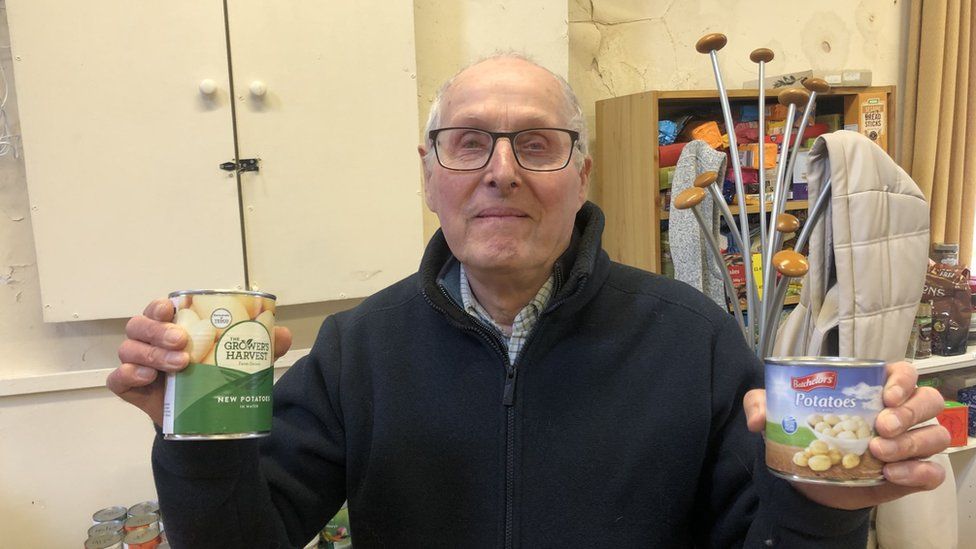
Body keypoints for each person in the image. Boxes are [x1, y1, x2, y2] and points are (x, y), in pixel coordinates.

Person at [109, 54, 949, 548]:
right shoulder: (357, 349)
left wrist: (823, 507)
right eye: (468, 142)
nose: (501, 171)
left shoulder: (695, 341)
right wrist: (192, 435)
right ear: (430, 177)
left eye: (536, 145)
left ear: (580, 178)